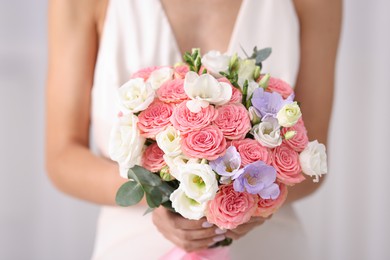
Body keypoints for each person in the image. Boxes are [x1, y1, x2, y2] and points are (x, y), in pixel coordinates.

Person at [46, 0, 341, 259]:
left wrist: (248, 203)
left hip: (264, 245)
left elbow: (312, 160)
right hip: (135, 243)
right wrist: (161, 195)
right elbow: (62, 155)